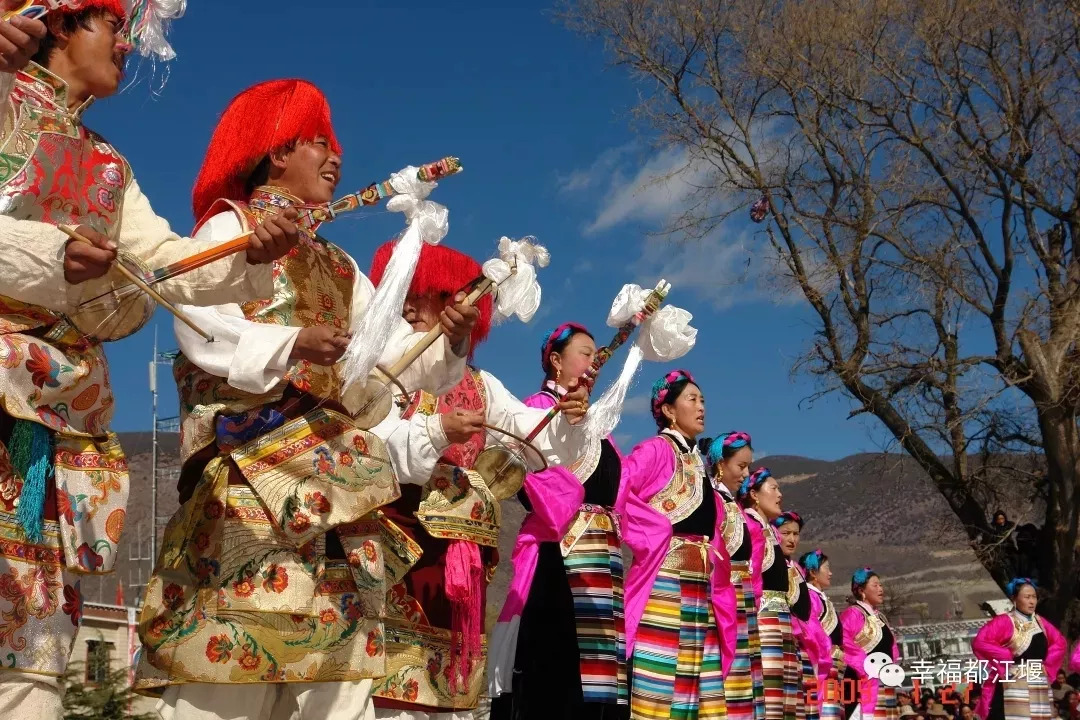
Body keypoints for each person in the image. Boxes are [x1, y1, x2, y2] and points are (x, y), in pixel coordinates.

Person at [132, 79, 478, 720]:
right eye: (316, 140)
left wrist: (445, 344)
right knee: (228, 674)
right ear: (274, 152)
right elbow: (197, 317)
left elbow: (388, 360)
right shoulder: (229, 229)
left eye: (334, 141)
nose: (335, 154)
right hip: (244, 490)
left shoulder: (341, 265)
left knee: (339, 682)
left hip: (341, 495)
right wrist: (291, 344)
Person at [0, 5, 300, 715]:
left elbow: (161, 259)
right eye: (111, 23)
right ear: (60, 26)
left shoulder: (109, 163)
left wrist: (244, 254)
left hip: (56, 417)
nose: (129, 44)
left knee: (32, 654)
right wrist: (55, 259)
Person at [364, 245, 593, 720]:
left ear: (456, 306)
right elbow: (367, 444)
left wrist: (568, 418)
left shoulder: (483, 386)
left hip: (459, 566)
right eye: (403, 294)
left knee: (445, 691)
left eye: (421, 295)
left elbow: (532, 432)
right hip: (391, 549)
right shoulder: (381, 374)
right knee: (383, 687)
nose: (407, 306)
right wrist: (435, 433)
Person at [489, 322, 630, 720]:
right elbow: (523, 476)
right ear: (555, 360)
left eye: (597, 355)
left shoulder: (599, 427)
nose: (594, 361)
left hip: (601, 559)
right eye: (585, 353)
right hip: (561, 553)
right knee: (556, 662)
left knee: (597, 670)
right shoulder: (535, 408)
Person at [618, 370, 727, 718]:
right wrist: (652, 533)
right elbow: (619, 492)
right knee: (659, 686)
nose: (701, 407)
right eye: (692, 399)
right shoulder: (654, 450)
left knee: (694, 690)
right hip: (665, 582)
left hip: (700, 586)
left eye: (703, 400)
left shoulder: (696, 461)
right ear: (667, 410)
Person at [700, 431, 765, 720]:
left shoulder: (732, 506)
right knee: (727, 680)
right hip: (724, 596)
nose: (746, 473)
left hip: (741, 597)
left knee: (744, 683)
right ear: (720, 465)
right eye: (741, 466)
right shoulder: (712, 500)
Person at [739, 467, 802, 720]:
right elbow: (749, 576)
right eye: (773, 488)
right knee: (770, 698)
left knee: (787, 700)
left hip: (781, 621)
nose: (780, 494)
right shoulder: (750, 525)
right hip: (764, 620)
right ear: (754, 494)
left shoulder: (771, 532)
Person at [972, 578, 1065, 720]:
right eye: (1027, 597)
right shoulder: (1003, 621)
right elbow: (980, 642)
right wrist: (1004, 656)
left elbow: (1059, 643)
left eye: (1034, 597)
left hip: (1037, 680)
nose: (1032, 601)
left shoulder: (1040, 622)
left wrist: (1047, 666)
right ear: (1014, 599)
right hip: (1013, 683)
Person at [775, 512, 831, 720]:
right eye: (786, 533)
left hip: (806, 647)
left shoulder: (794, 568)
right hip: (783, 639)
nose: (792, 539)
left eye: (796, 534)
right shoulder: (771, 562)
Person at [840, 568, 899, 719]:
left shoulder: (880, 617)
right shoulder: (852, 613)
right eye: (875, 585)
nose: (881, 589)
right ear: (861, 590)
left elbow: (892, 648)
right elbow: (844, 642)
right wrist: (866, 668)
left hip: (882, 681)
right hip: (861, 682)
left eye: (881, 585)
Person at [801, 549, 845, 719]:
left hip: (832, 663)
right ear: (813, 572)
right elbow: (812, 630)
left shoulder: (820, 597)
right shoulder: (810, 596)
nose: (831, 573)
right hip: (822, 663)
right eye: (827, 568)